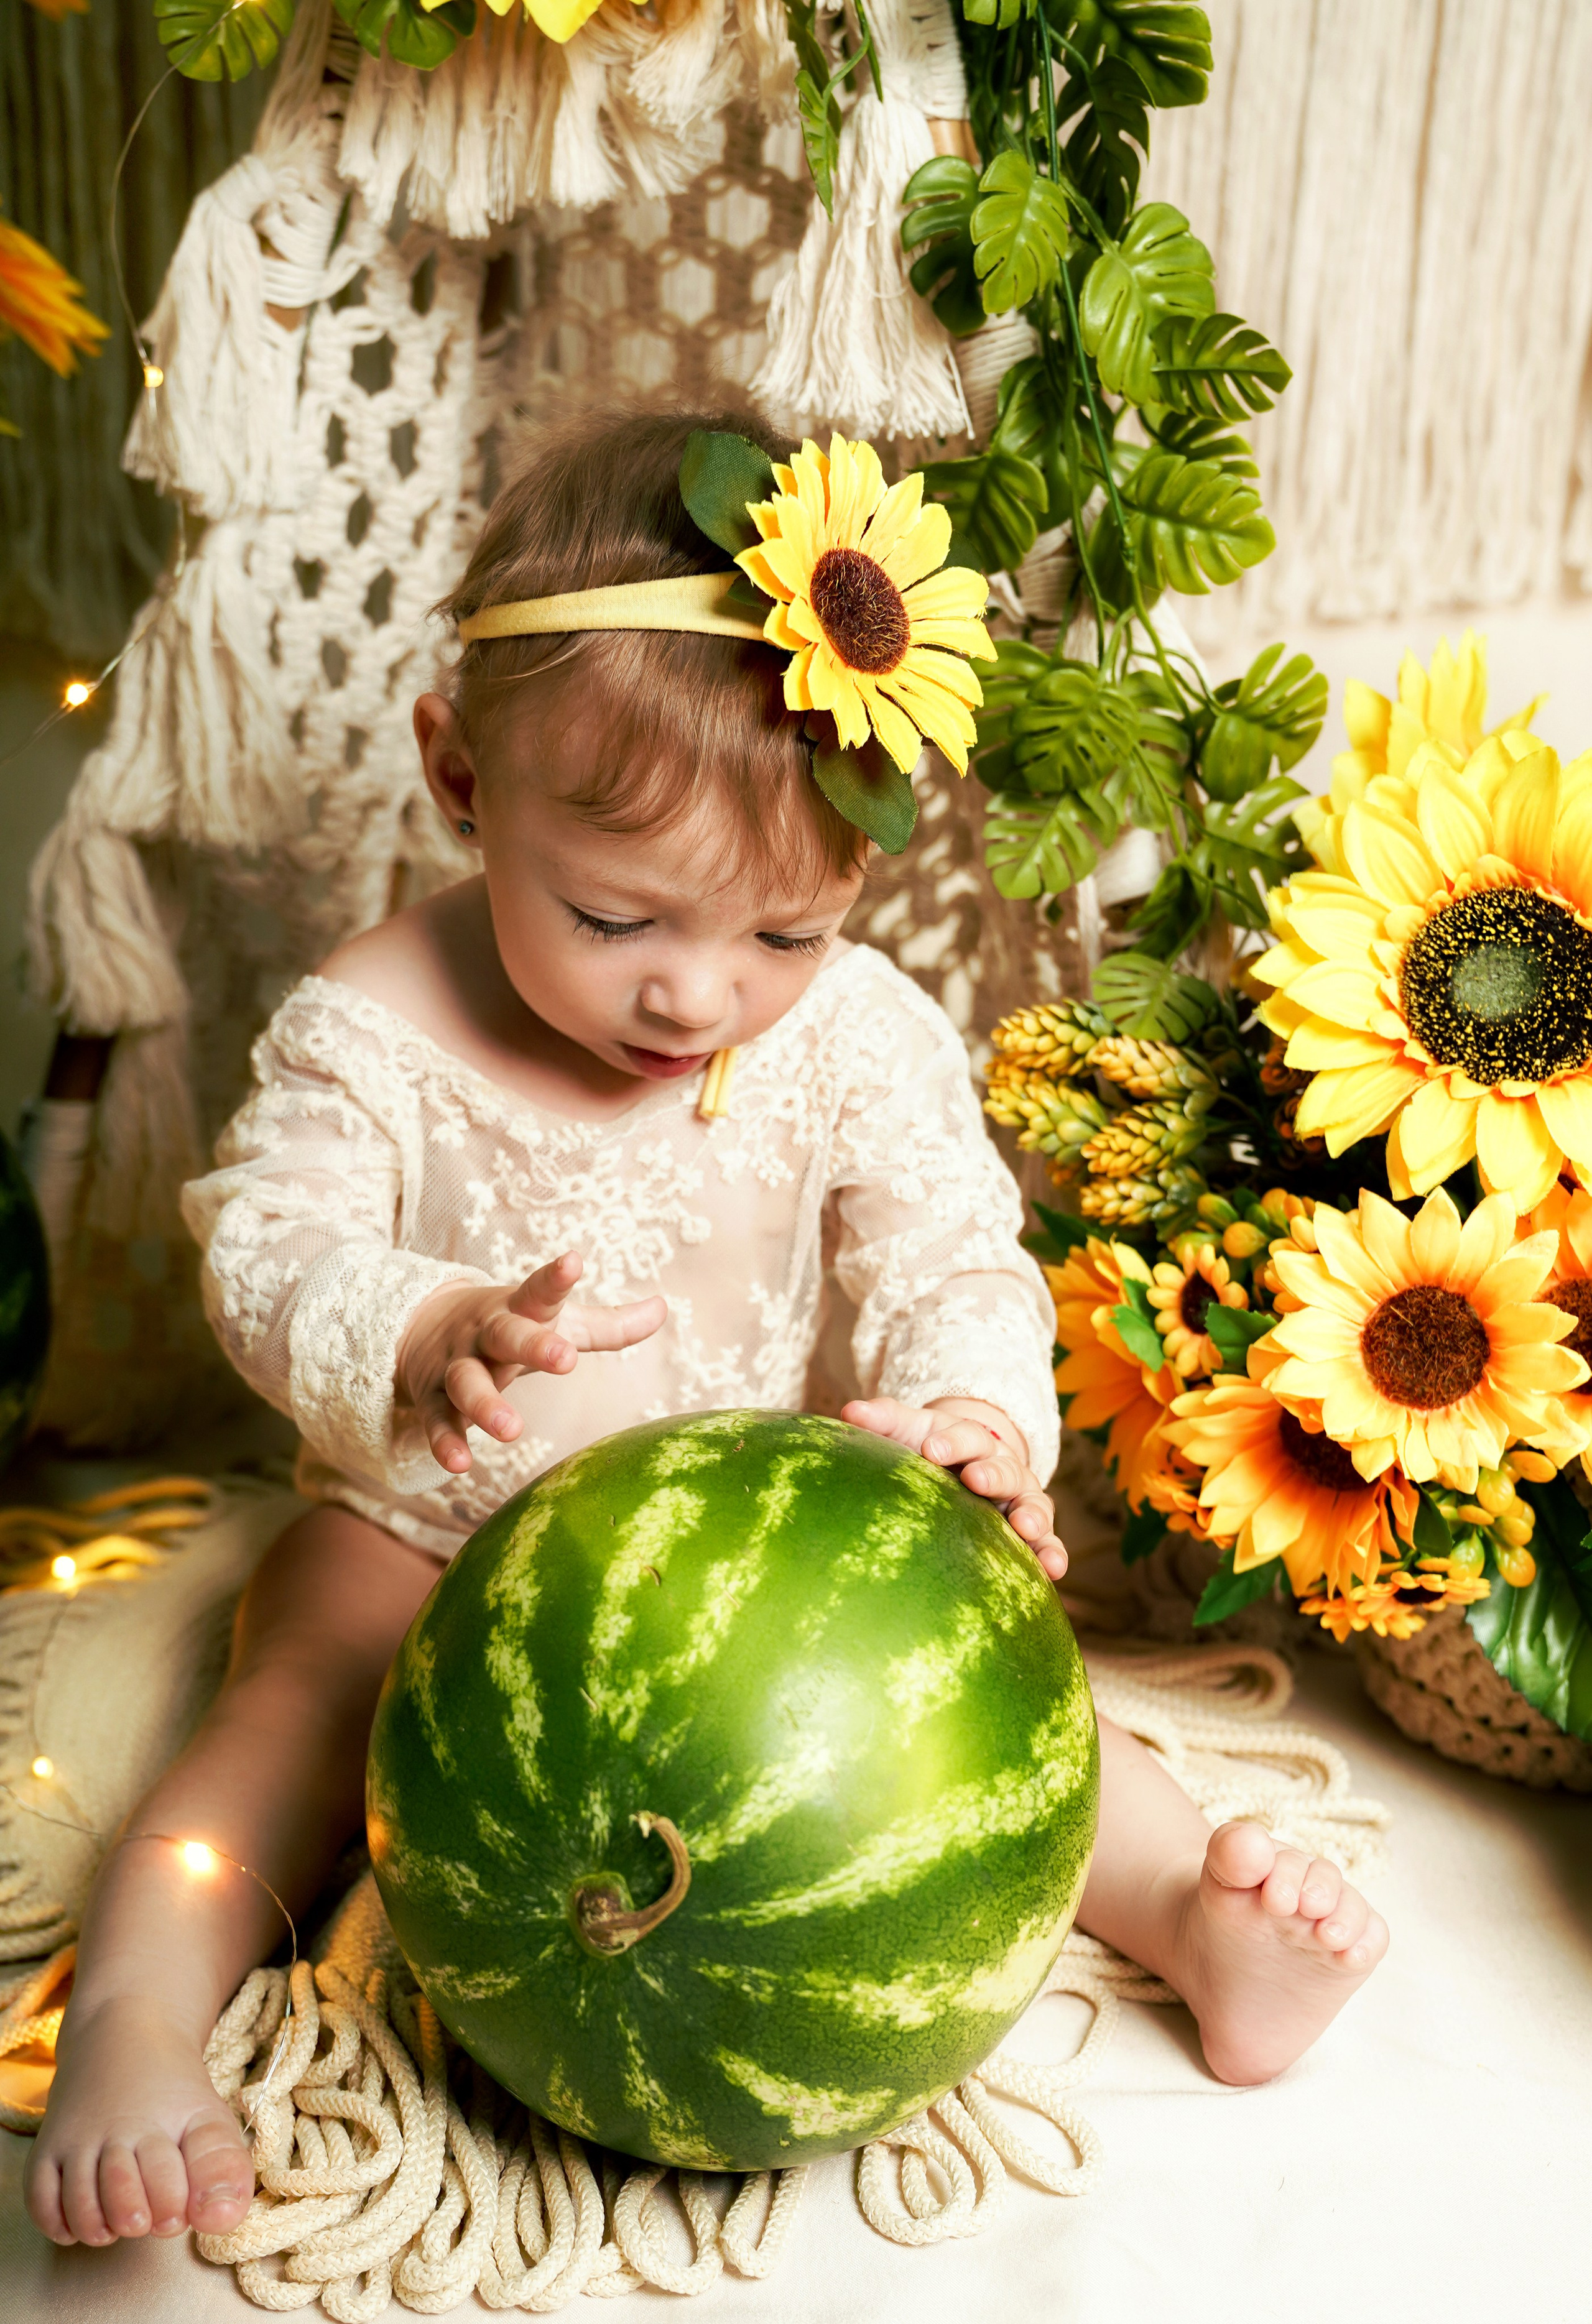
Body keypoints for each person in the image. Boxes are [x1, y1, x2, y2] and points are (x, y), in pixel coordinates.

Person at [25, 402, 1387, 2251]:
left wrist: (969, 1411)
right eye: (615, 914)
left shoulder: (855, 1034)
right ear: (456, 770)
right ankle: (131, 2014)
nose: (697, 992)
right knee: (281, 1715)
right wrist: (421, 1327)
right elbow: (264, 1247)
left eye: (783, 933)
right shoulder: (377, 1019)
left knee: (999, 1723)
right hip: (435, 1526)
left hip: (765, 1552)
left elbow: (952, 1258)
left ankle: (1191, 1924)